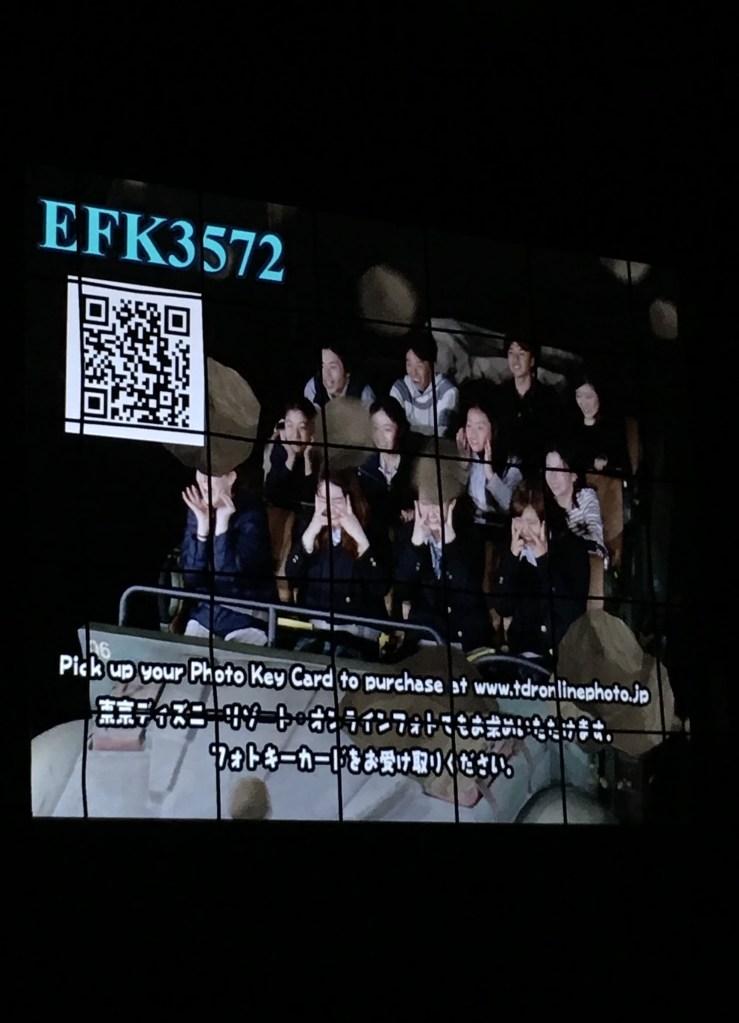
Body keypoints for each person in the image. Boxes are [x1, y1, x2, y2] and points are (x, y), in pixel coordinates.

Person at [285, 469, 389, 658]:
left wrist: (361, 540)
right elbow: (294, 578)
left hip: (359, 627)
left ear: (351, 499)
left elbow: (381, 587)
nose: (329, 507)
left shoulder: (372, 525)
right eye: (323, 499)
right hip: (316, 625)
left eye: (337, 500)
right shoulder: (307, 521)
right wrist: (310, 536)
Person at [493, 481, 590, 662]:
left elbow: (571, 611)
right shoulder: (513, 548)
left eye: (531, 522)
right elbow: (502, 606)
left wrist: (544, 561)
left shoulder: (573, 549)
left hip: (558, 653)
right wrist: (511, 561)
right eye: (518, 521)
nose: (524, 530)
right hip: (520, 652)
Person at [180, 469, 278, 645]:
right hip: (208, 613)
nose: (204, 481)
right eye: (201, 473)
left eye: (212, 475)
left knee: (232, 660)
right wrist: (202, 528)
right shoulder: (197, 508)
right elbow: (191, 578)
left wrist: (222, 524)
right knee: (187, 656)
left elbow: (229, 578)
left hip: (248, 614)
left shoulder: (252, 513)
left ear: (231, 478)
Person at [394, 493, 492, 652]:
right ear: (417, 504)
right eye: (426, 504)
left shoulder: (470, 534)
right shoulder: (407, 534)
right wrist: (416, 547)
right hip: (425, 636)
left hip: (465, 637)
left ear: (451, 504)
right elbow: (402, 592)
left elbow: (469, 596)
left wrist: (450, 545)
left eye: (439, 504)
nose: (432, 512)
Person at [494, 333, 563, 476]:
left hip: (537, 474)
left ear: (532, 360)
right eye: (511, 353)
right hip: (504, 474)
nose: (515, 359)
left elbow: (554, 440)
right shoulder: (499, 394)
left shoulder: (548, 397)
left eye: (521, 353)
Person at [390, 332, 458, 437]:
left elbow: (442, 434)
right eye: (409, 364)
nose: (413, 372)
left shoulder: (447, 391)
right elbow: (393, 428)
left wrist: (407, 429)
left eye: (419, 366)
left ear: (432, 365)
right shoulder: (400, 388)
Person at [544, 445, 606, 559]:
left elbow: (596, 538)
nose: (552, 476)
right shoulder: (543, 502)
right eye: (548, 468)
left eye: (559, 469)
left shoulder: (586, 496)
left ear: (573, 475)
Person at [570, 372, 630, 477]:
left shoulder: (613, 423)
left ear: (599, 395)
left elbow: (622, 460)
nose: (583, 403)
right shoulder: (572, 422)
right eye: (578, 396)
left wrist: (606, 461)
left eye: (589, 396)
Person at [303, 344, 375, 410]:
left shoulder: (363, 394)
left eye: (333, 367)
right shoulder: (313, 388)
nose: (326, 374)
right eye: (322, 366)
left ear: (347, 371)